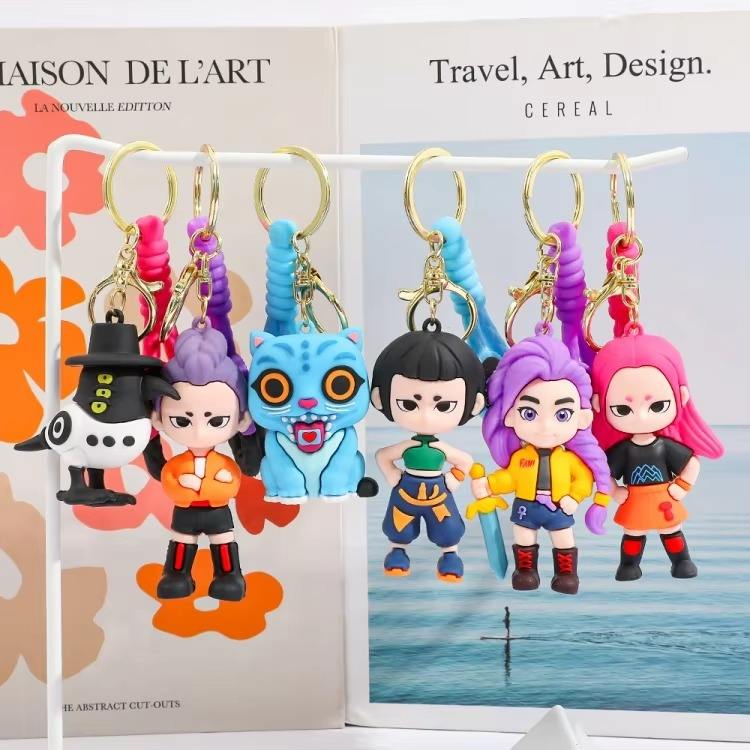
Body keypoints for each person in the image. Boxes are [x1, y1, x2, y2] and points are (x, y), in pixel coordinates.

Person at [591, 333, 723, 580]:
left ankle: (681, 561)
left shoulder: (665, 446)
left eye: (657, 406)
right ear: (599, 403)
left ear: (681, 396)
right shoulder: (623, 450)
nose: (641, 417)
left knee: (671, 529)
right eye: (623, 409)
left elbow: (692, 463)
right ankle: (629, 565)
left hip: (664, 496)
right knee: (633, 532)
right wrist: (614, 491)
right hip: (635, 498)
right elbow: (602, 472)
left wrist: (682, 486)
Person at [371, 324, 486, 582]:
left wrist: (453, 479)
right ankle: (397, 550)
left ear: (474, 403)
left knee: (448, 526)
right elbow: (382, 456)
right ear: (380, 398)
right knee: (398, 524)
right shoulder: (407, 446)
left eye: (443, 405)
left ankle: (450, 555)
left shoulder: (442, 449)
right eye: (408, 404)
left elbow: (465, 462)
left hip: (438, 492)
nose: (425, 416)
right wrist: (393, 475)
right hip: (405, 490)